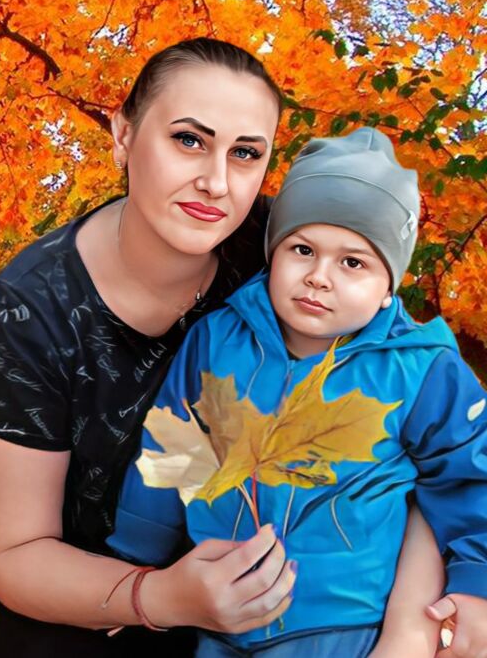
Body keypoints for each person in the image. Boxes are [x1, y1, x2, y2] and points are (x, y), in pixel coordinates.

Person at [0, 41, 445, 657]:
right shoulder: (31, 312)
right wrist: (161, 597)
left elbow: (425, 438)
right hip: (85, 623)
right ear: (124, 135)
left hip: (284, 630)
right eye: (189, 140)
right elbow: (11, 552)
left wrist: (410, 630)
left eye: (245, 153)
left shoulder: (297, 254)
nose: (215, 182)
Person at [108, 127, 487, 658]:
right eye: (303, 250)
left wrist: (476, 584)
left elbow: (470, 477)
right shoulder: (218, 339)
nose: (319, 277)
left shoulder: (420, 368)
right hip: (219, 618)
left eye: (353, 263)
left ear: (388, 287)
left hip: (348, 629)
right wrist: (135, 553)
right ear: (274, 254)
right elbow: (172, 444)